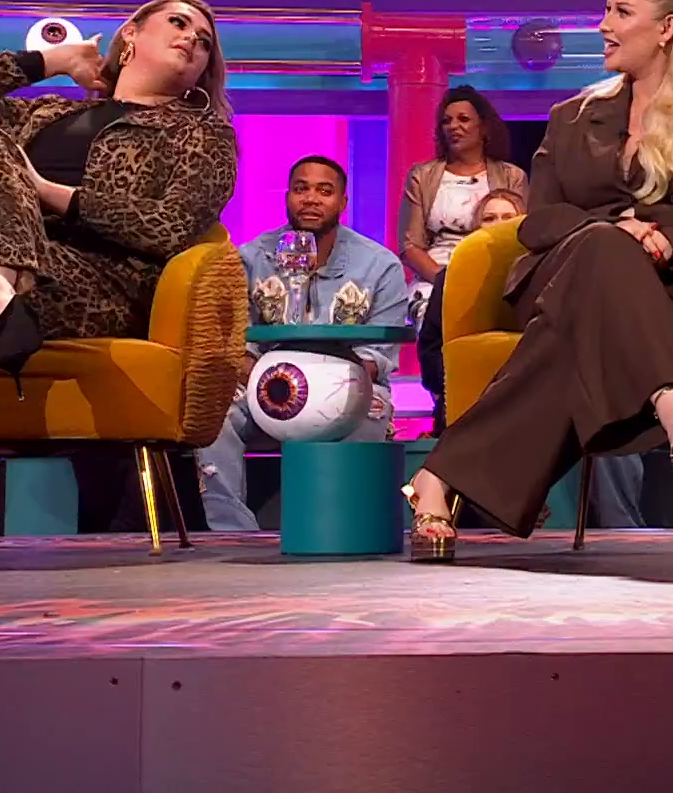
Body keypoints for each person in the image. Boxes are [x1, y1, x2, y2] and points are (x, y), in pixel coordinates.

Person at [402, 0, 673, 561]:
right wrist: (616, 229)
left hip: (669, 288)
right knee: (604, 246)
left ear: (666, 27)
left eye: (620, 12)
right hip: (558, 275)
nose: (603, 25)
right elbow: (540, 220)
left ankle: (436, 477)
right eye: (606, 11)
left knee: (569, 333)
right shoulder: (574, 116)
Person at [0, 0, 240, 568]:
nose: (192, 39)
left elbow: (169, 226)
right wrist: (52, 62)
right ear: (131, 35)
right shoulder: (45, 113)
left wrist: (49, 193)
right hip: (15, 263)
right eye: (178, 23)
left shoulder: (202, 135)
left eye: (205, 41)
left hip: (101, 279)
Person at [199, 155, 411, 531]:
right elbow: (234, 341)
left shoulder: (380, 266)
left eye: (324, 191)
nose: (311, 199)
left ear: (343, 202)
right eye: (301, 189)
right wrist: (264, 381)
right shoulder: (250, 258)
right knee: (214, 411)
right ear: (287, 197)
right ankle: (231, 533)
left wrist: (326, 387)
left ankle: (340, 529)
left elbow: (378, 357)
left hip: (347, 385)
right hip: (265, 386)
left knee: (371, 407)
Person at [399, 86, 528, 326]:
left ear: (484, 127)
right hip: (435, 277)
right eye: (446, 121)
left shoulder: (512, 176)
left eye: (463, 119)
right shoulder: (422, 176)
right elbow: (410, 246)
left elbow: (520, 236)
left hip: (494, 274)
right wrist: (446, 280)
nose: (453, 126)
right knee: (435, 318)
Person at [416, 188, 526, 437]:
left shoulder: (546, 272)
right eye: (489, 218)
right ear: (476, 228)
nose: (498, 225)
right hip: (464, 401)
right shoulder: (450, 278)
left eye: (508, 218)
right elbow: (430, 348)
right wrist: (454, 384)